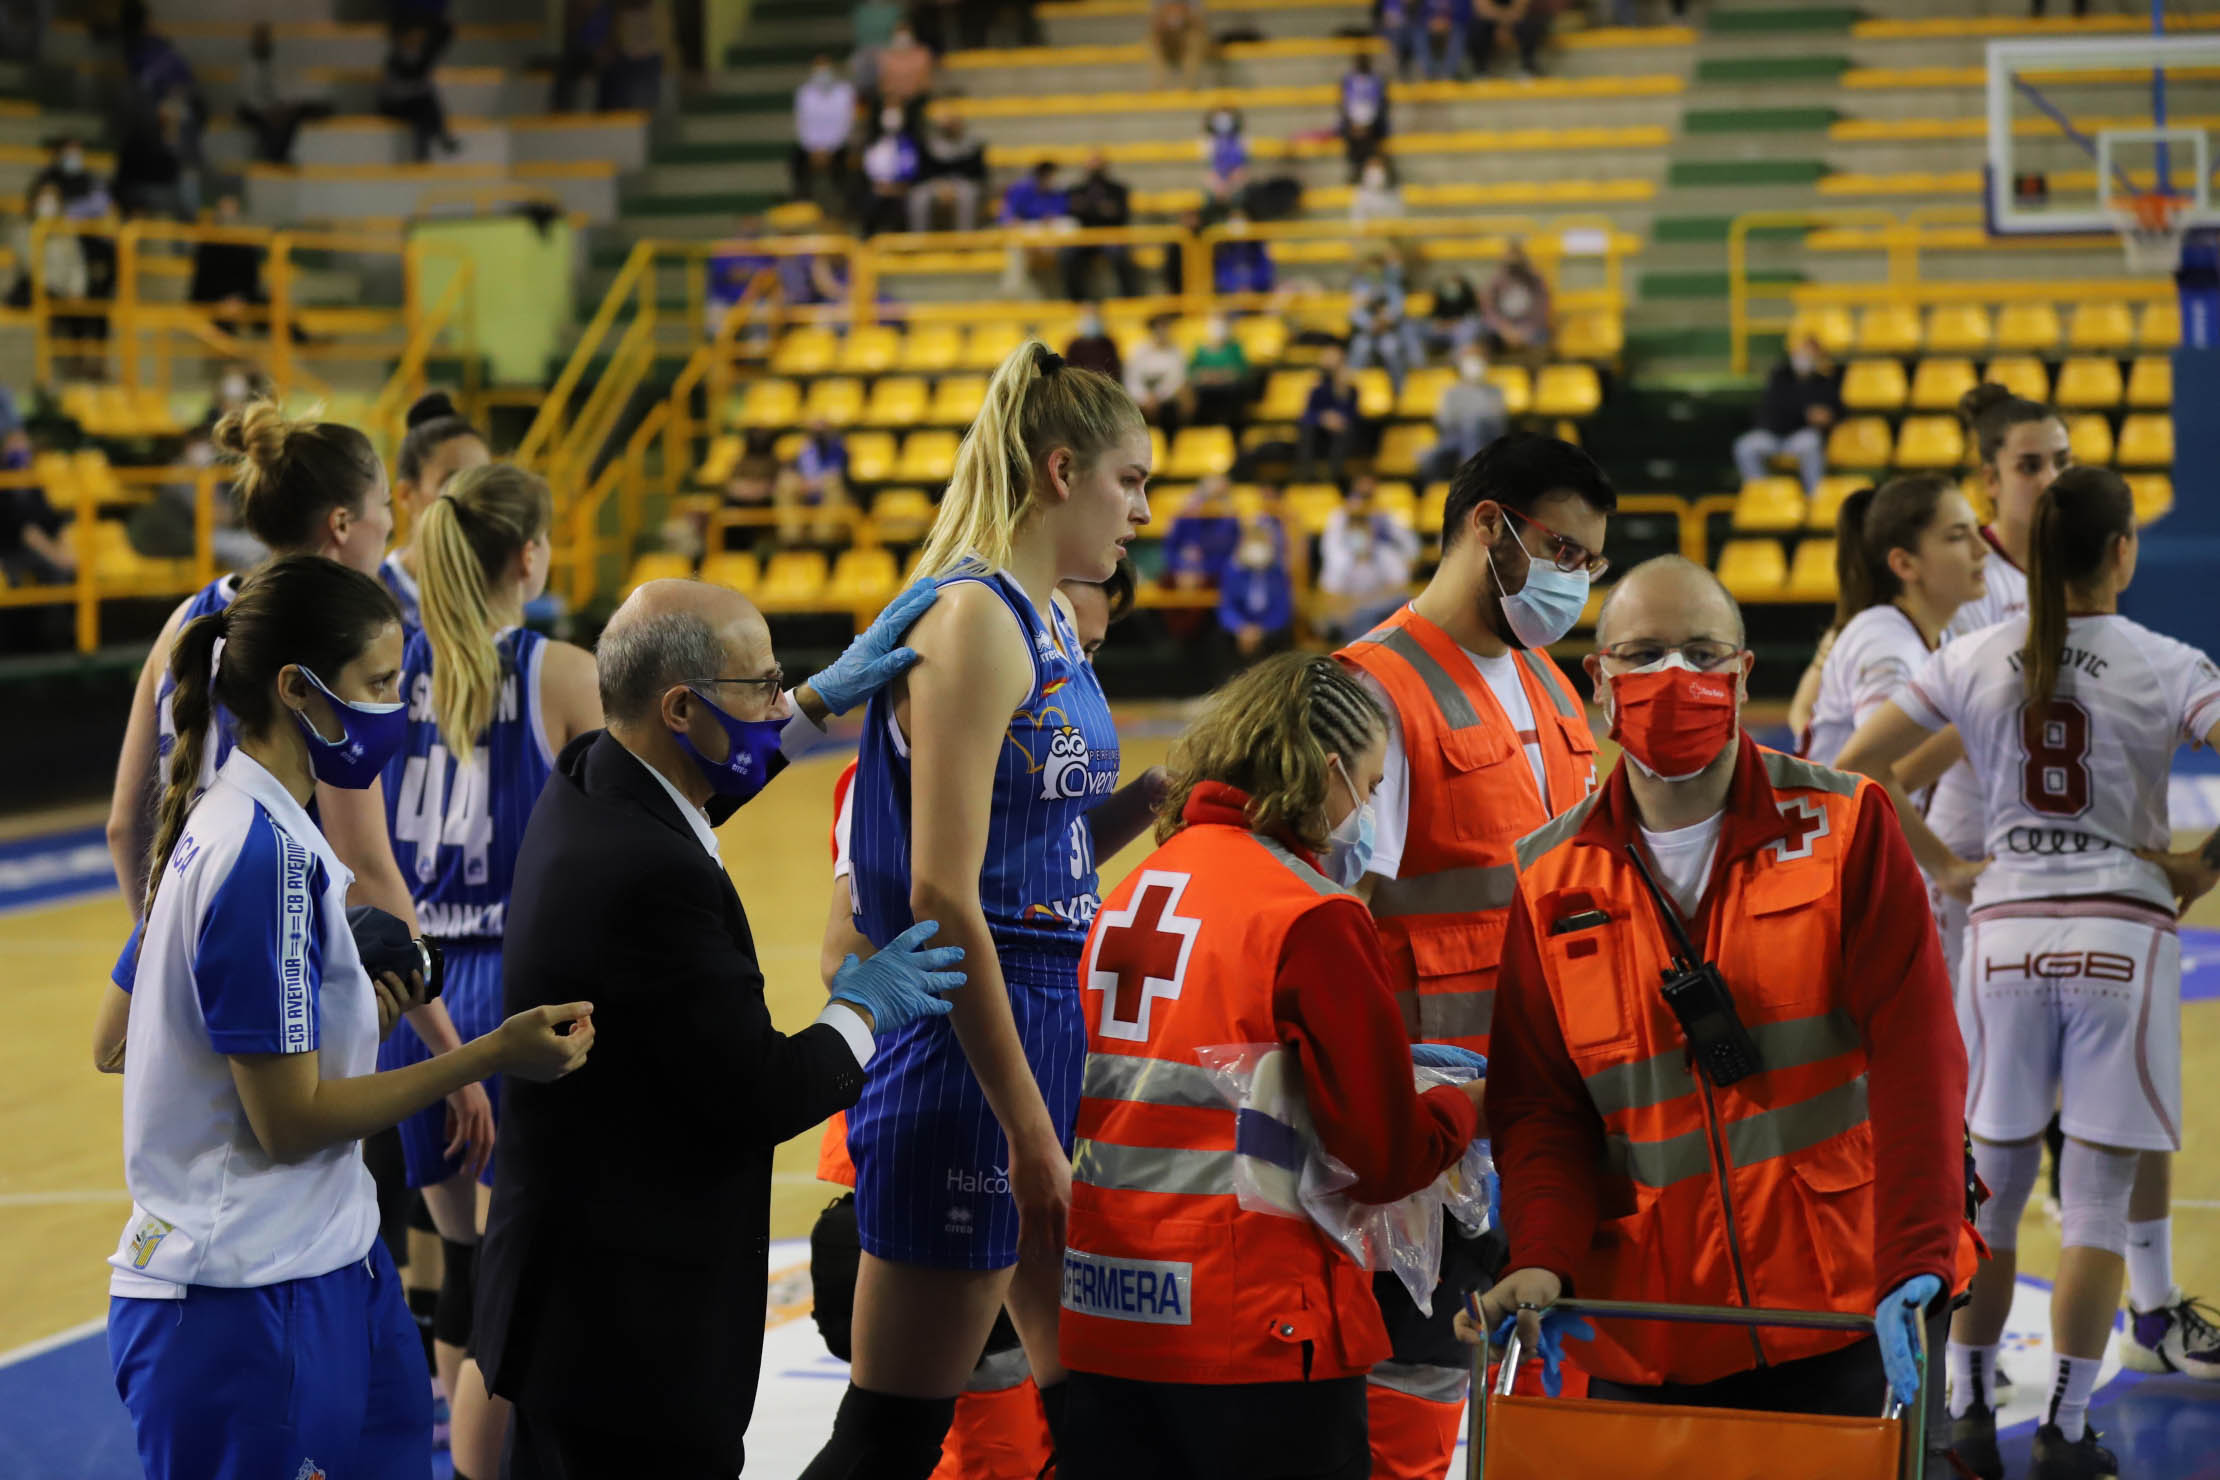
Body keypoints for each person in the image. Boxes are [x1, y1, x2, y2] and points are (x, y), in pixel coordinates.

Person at [105, 553, 594, 1479]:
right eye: (378, 685)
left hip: (326, 1260)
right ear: (297, 689)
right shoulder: (265, 861)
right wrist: (487, 1053)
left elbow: (111, 1040)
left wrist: (347, 1013)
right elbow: (288, 1122)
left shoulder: (226, 825)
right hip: (249, 1295)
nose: (397, 712)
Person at [1470, 554, 1970, 1458]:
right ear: (1602, 677)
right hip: (1649, 1327)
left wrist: (1919, 1257)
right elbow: (1540, 1108)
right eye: (1646, 653)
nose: (1676, 679)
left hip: (1851, 1309)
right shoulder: (1547, 878)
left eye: (1704, 654)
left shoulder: (1848, 826)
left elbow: (1918, 1060)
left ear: (1743, 675)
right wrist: (1539, 1255)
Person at [475, 575, 958, 1476]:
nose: (780, 705)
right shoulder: (649, 877)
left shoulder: (594, 774)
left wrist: (818, 701)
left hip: (570, 1304)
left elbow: (704, 793)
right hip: (628, 1345)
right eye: (765, 687)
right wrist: (865, 1007)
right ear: (680, 707)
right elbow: (762, 1094)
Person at [796, 342, 1150, 1479]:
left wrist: (1158, 797)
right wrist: (1032, 1130)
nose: (1142, 508)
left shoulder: (1047, 616)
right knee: (892, 1432)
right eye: (1129, 480)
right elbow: (947, 896)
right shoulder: (974, 618)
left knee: (1090, 1402)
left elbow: (1031, 857)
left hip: (1039, 1021)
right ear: (1059, 471)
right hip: (965, 1054)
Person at [1833, 467, 2220, 1479]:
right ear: (2124, 551)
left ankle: (1964, 1407)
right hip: (2120, 937)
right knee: (2092, 1206)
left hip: (2001, 936)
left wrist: (1951, 866)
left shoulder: (1973, 652)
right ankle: (2067, 1425)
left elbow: (1860, 771)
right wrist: (2201, 864)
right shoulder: (2169, 661)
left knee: (1990, 1203)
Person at [1059, 652, 1488, 1478]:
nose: (1366, 810)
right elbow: (1384, 1158)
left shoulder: (1131, 892)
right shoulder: (1309, 916)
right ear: (1329, 770)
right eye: (1367, 786)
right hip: (1252, 1330)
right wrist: (1471, 1106)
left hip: (1108, 1316)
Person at [1334, 432, 1611, 1479]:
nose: (1575, 579)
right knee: (1406, 1426)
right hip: (1422, 1153)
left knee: (1541, 1425)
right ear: (1489, 526)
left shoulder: (1550, 686)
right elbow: (1319, 931)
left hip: (1548, 1134)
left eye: (1592, 562)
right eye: (1563, 550)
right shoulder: (1368, 689)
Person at [376, 463, 602, 1480]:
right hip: (516, 996)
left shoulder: (389, 669)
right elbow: (628, 834)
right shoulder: (556, 670)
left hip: (415, 999)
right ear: (530, 555)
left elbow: (363, 857)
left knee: (469, 1273)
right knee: (534, 1290)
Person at [1801, 475, 1988, 771]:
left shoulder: (1944, 633)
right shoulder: (1884, 645)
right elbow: (1881, 773)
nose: (1982, 549)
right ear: (1904, 564)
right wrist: (1985, 709)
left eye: (1978, 530)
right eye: (1957, 536)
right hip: (1839, 816)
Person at [380, 392, 491, 630]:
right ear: (406, 495)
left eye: (482, 481)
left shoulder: (494, 593)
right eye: (453, 482)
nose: (473, 495)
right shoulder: (374, 600)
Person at [1732, 337, 1841, 496]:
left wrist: (1826, 416)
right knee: (1745, 446)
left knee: (1812, 443)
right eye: (1802, 353)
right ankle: (1761, 494)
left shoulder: (1824, 383)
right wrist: (1806, 412)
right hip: (1772, 435)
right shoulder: (1780, 377)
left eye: (1810, 354)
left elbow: (1832, 411)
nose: (1805, 358)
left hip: (1799, 437)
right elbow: (1776, 408)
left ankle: (1814, 497)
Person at [1317, 475, 1420, 642]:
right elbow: (1332, 599)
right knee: (1350, 621)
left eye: (1364, 531)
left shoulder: (1385, 553)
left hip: (1381, 614)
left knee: (1398, 608)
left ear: (1371, 533)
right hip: (1354, 618)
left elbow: (1400, 589)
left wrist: (1363, 604)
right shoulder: (1340, 560)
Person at [236, 22, 332, 165]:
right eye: (261, 39)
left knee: (297, 114)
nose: (264, 43)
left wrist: (284, 106)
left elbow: (284, 90)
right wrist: (269, 111)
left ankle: (280, 154)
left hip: (275, 107)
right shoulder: (248, 67)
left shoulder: (275, 64)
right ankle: (273, 156)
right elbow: (249, 97)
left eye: (266, 39)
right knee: (269, 122)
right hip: (256, 110)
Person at [1214, 514, 1292, 673]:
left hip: (1268, 629)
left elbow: (1282, 608)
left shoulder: (1277, 571)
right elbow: (1227, 607)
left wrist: (1260, 630)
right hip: (1241, 628)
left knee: (1283, 638)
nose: (1257, 544)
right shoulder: (1233, 570)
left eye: (1261, 540)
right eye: (1253, 539)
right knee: (1220, 638)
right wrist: (1241, 627)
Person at [1063, 153, 1141, 302]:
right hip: (1084, 238)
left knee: (1120, 256)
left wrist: (1088, 208)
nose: (1095, 170)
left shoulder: (1118, 190)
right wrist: (1101, 210)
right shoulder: (1076, 190)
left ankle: (1129, 298)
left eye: (1098, 166)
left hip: (1109, 236)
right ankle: (1076, 301)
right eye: (1092, 166)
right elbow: (1073, 213)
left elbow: (1121, 215)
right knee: (1068, 256)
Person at [378, 21, 459, 161]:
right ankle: (439, 138)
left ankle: (428, 148)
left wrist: (417, 88)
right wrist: (416, 88)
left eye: (419, 37)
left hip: (415, 105)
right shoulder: (396, 60)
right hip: (393, 105)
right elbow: (393, 92)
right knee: (424, 104)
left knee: (425, 107)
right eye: (412, 36)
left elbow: (446, 32)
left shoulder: (421, 58)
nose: (415, 40)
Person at [1421, 350, 1506, 483]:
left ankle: (1470, 474)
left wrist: (1471, 422)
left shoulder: (1494, 391)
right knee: (1429, 458)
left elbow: (1497, 422)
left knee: (1473, 425)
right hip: (1456, 438)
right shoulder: (1452, 393)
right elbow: (1444, 421)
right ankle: (1435, 492)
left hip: (1486, 439)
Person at [1348, 251, 1421, 393]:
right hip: (1368, 332)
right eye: (1370, 268)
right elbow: (1355, 314)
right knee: (1360, 349)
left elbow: (1397, 309)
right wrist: (1370, 323)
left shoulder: (1392, 286)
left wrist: (1385, 320)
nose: (1373, 271)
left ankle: (1399, 390)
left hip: (1388, 331)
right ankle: (1353, 392)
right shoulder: (1360, 287)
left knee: (1391, 349)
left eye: (1376, 267)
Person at [911, 106, 986, 233]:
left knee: (968, 195)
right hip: (935, 184)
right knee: (918, 196)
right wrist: (940, 185)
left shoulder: (974, 146)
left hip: (963, 184)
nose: (950, 125)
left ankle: (965, 240)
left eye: (954, 121)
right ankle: (919, 239)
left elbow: (978, 174)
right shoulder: (928, 145)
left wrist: (952, 186)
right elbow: (923, 172)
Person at [793, 55, 857, 203]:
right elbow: (801, 124)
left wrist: (829, 149)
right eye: (818, 69)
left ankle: (844, 205)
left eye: (825, 69)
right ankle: (802, 201)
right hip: (811, 147)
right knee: (796, 159)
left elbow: (847, 123)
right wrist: (814, 148)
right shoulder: (804, 93)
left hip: (839, 145)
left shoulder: (845, 92)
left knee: (848, 160)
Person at [1298, 341, 1365, 482]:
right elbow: (1307, 414)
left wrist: (1342, 391)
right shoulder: (1317, 386)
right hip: (1320, 433)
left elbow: (1354, 415)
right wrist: (1322, 418)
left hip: (1343, 434)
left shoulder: (1350, 388)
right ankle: (1306, 474)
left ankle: (1333, 477)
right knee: (1307, 428)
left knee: (1344, 429)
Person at [1481, 239, 1551, 359]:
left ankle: (1536, 374)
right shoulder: (1496, 280)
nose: (1513, 259)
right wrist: (1505, 330)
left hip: (1530, 330)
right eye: (1510, 255)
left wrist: (1524, 332)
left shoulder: (1534, 280)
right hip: (1503, 330)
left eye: (1516, 255)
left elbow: (1541, 311)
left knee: (1543, 337)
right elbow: (1489, 311)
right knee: (1483, 336)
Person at [857, 105, 921, 237]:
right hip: (878, 188)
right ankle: (867, 240)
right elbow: (869, 169)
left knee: (904, 204)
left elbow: (911, 169)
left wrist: (896, 187)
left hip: (901, 189)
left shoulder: (908, 143)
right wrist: (881, 186)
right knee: (870, 202)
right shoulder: (874, 143)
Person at [1124, 313, 1190, 440]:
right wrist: (1144, 398)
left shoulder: (1177, 353)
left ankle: (1170, 445)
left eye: (1165, 327)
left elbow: (1175, 382)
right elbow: (1132, 380)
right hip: (1141, 402)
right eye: (1158, 327)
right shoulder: (1138, 352)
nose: (1162, 331)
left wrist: (1157, 398)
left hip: (1166, 404)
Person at [1186, 314, 1252, 430]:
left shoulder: (1235, 348)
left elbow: (1242, 371)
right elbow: (1192, 372)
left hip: (1229, 393)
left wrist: (1222, 376)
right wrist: (1205, 376)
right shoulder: (1201, 350)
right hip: (1206, 392)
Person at [1339, 51, 1389, 180]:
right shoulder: (1348, 80)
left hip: (1371, 121)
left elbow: (1378, 103)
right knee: (1353, 139)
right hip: (1354, 120)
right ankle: (1357, 168)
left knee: (1369, 140)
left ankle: (1367, 170)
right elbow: (1346, 102)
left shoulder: (1376, 80)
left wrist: (1367, 123)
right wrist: (1353, 122)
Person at [1471, 0, 1547, 77]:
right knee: (1477, 27)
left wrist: (1505, 25)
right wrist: (1501, 22)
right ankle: (1480, 69)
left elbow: (1521, 8)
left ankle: (1528, 67)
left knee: (1530, 25)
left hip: (1513, 19)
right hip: (1492, 20)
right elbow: (1482, 9)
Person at [876, 23, 935, 110]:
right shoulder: (884, 57)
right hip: (891, 99)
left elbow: (925, 83)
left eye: (905, 35)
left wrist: (908, 93)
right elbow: (883, 83)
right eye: (899, 35)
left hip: (916, 99)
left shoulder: (922, 55)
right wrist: (894, 96)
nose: (902, 40)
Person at [1409, 0, 1471, 80]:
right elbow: (1419, 15)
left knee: (1458, 33)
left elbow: (1464, 14)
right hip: (1428, 26)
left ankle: (1447, 74)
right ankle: (1429, 73)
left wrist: (1446, 23)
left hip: (1452, 26)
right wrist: (1430, 22)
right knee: (1419, 33)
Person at [1151, 0, 1206, 87]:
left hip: (1187, 32)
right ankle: (1157, 85)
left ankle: (1188, 86)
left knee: (1195, 39)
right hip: (1166, 35)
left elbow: (1199, 20)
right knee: (1153, 40)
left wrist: (1183, 19)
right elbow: (1155, 21)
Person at [1064, 306, 1122, 382]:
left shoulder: (1108, 344)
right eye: (1087, 317)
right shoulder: (1074, 346)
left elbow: (1115, 370)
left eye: (1094, 317)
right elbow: (1070, 371)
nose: (1091, 321)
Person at [1204, 107, 1248, 206]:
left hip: (1235, 179)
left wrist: (1232, 184)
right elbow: (1212, 168)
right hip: (1219, 179)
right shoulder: (1209, 142)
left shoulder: (1241, 140)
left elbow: (1241, 166)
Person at [1350, 156, 1404, 228]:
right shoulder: (1360, 193)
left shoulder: (1395, 192)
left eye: (1378, 166)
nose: (1374, 171)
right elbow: (1356, 221)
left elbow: (1398, 218)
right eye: (1371, 167)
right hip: (1367, 235)